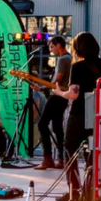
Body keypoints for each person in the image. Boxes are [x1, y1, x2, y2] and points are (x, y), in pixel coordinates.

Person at [52, 32, 101, 201]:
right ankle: (93, 190)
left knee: (71, 152)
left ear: (78, 48)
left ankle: (74, 192)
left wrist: (59, 92)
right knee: (96, 154)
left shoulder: (78, 67)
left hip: (79, 116)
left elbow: (73, 94)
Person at [34, 36, 72, 170]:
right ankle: (62, 159)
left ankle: (48, 158)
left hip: (57, 96)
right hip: (63, 96)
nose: (51, 50)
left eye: (52, 47)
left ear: (59, 45)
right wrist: (43, 87)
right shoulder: (70, 58)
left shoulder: (63, 59)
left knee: (42, 123)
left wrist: (44, 86)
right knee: (57, 128)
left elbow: (58, 79)